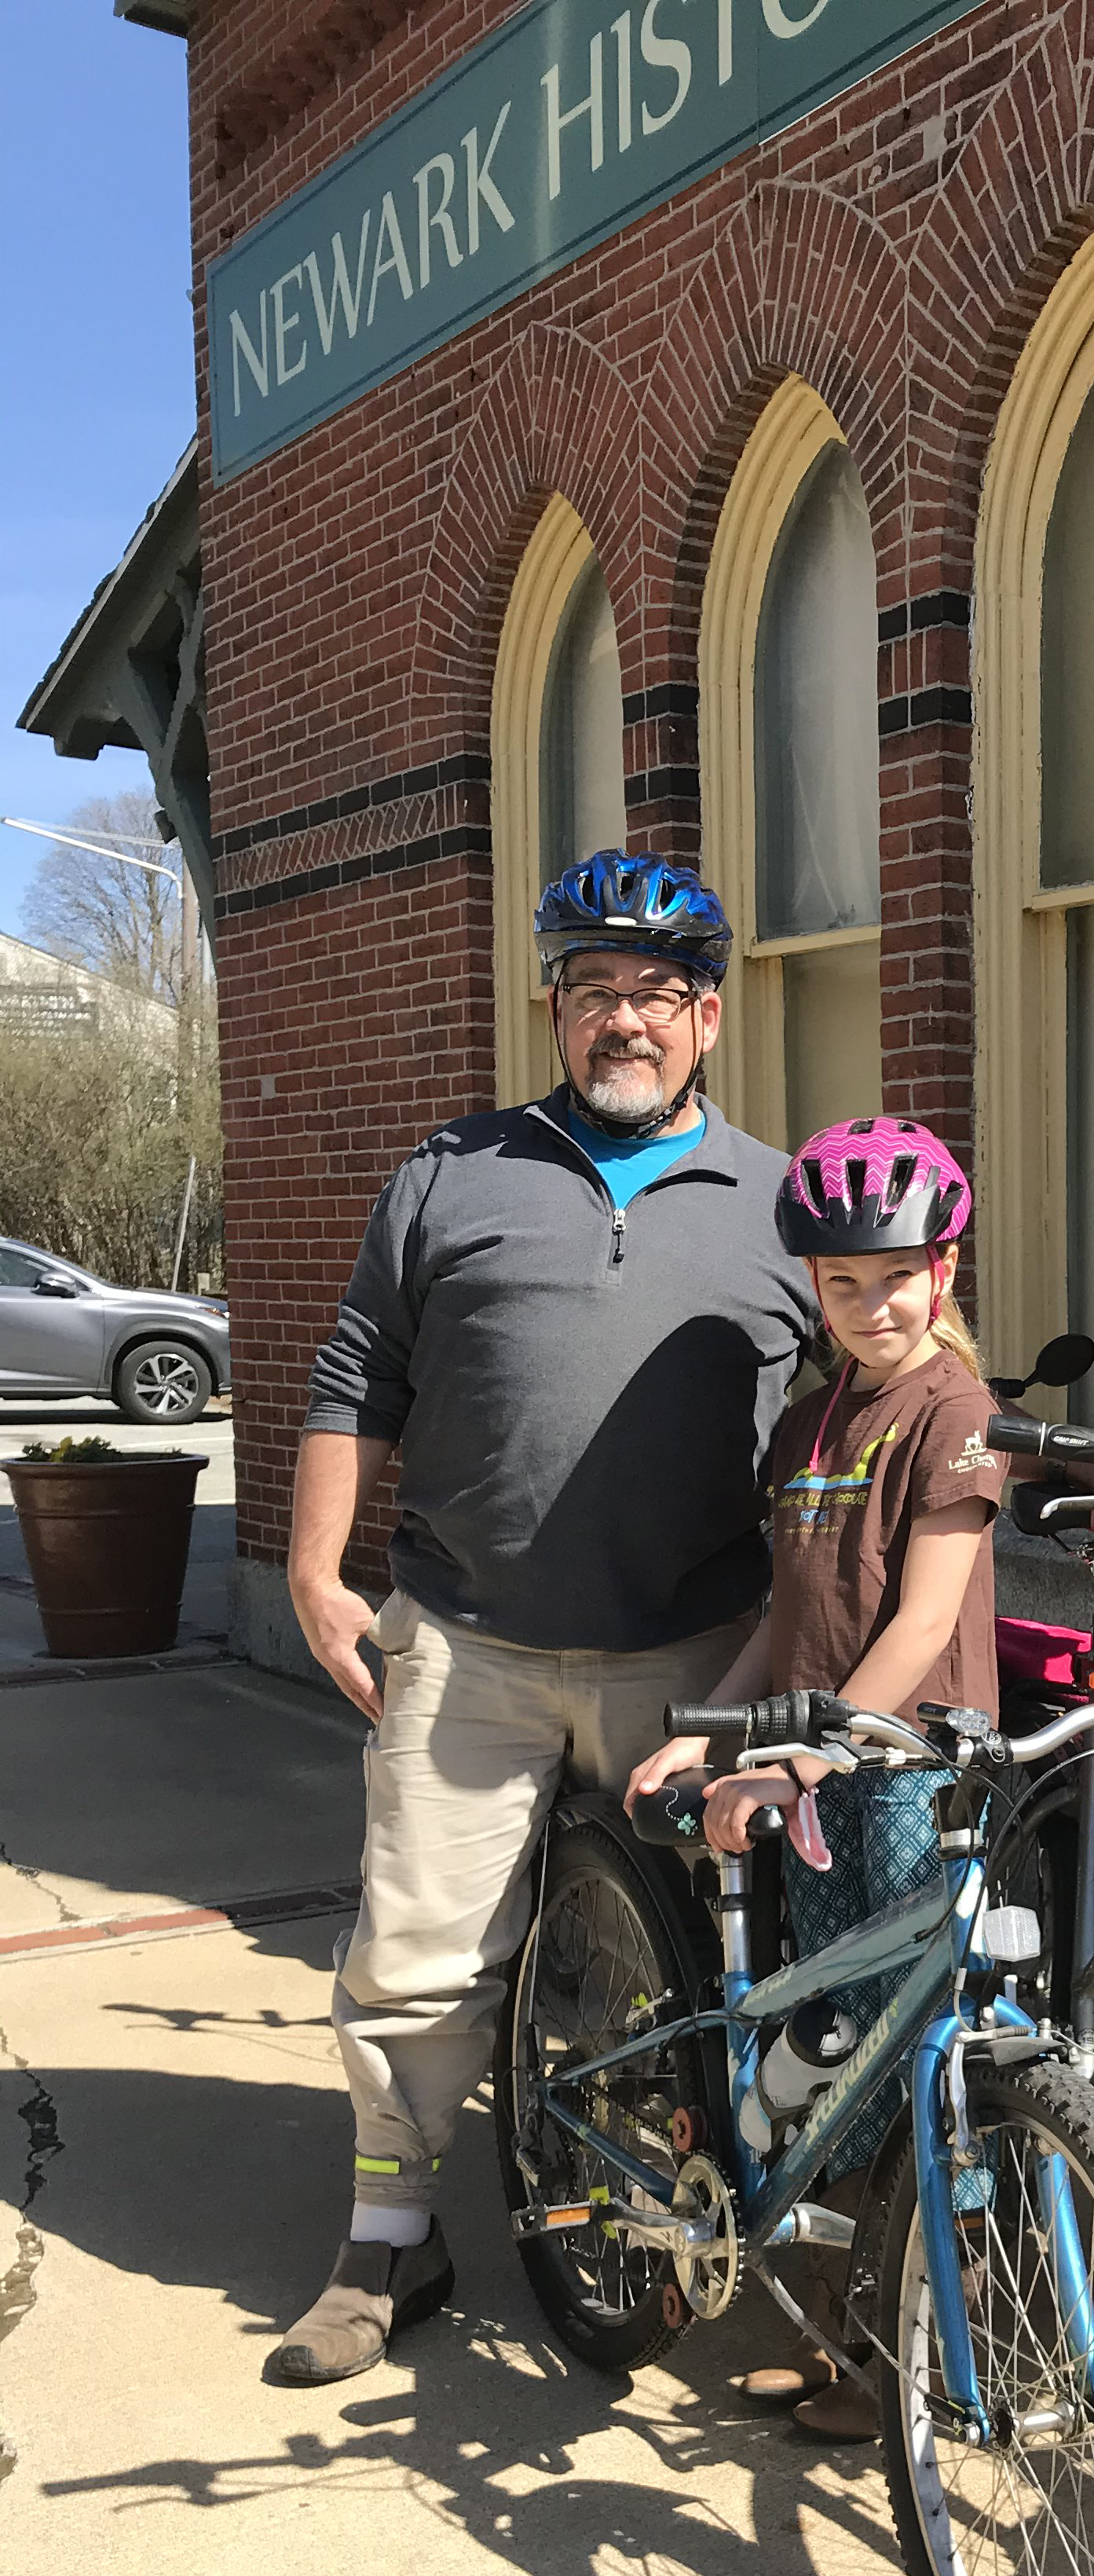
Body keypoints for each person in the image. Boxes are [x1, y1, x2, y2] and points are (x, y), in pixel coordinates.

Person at [267, 849, 821, 2385]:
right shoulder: (452, 1173)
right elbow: (354, 1375)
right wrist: (317, 1575)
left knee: (709, 1964)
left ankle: (676, 2214)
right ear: (556, 1009)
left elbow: (853, 1420)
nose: (620, 1022)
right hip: (471, 1639)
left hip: (699, 1649)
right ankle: (391, 2239)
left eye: (652, 994)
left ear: (707, 1017)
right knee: (421, 1953)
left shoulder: (786, 1202)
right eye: (591, 992)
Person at [627, 1118, 1007, 2439]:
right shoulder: (812, 1416)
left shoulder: (956, 1413)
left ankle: (914, 2360)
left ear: (944, 1270)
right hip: (813, 1775)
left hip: (902, 1777)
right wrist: (712, 1727)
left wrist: (801, 1754)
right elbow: (787, 1626)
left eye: (894, 1275)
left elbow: (918, 1625)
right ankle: (855, 2341)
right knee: (833, 2054)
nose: (869, 1304)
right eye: (840, 1283)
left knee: (905, 2065)